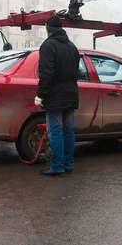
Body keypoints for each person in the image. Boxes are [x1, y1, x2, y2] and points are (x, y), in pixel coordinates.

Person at [34, 15, 80, 177]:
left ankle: (57, 166)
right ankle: (68, 164)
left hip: (55, 97)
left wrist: (40, 96)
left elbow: (47, 73)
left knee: (56, 132)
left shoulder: (48, 46)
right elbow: (77, 73)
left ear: (48, 30)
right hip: (71, 95)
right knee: (68, 131)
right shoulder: (72, 46)